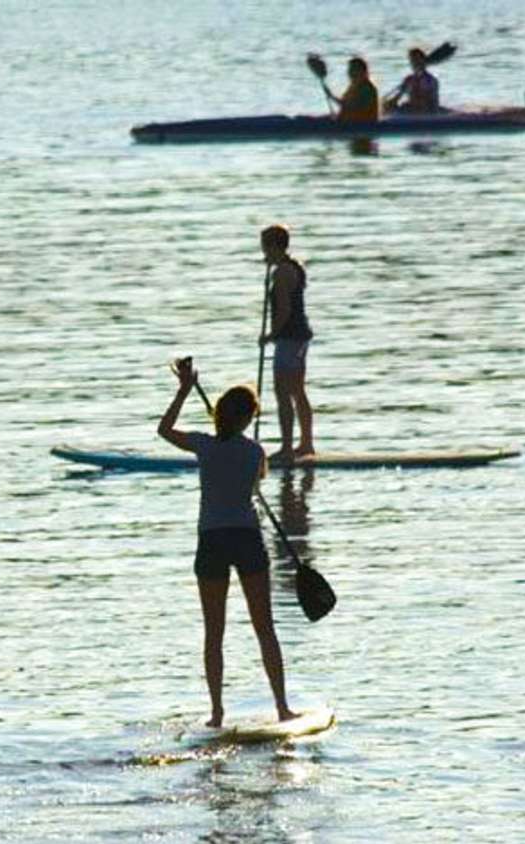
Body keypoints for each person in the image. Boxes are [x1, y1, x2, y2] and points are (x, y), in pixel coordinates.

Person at [158, 357, 297, 728]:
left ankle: (217, 713)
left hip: (212, 541)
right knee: (264, 627)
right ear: (247, 418)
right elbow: (255, 482)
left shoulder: (203, 444)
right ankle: (282, 707)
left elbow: (164, 430)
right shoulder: (255, 452)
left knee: (213, 631)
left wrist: (184, 391)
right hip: (246, 538)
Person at [258, 225, 315, 462]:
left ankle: (287, 448)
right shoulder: (294, 267)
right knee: (298, 390)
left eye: (264, 246)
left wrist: (270, 336)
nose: (262, 252)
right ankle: (306, 443)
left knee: (283, 392)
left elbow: (283, 310)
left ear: (274, 246)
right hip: (300, 335)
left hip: (289, 337)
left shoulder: (281, 272)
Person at [384, 47, 440, 113]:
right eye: (412, 60)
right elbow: (396, 98)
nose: (414, 63)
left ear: (423, 61)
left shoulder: (431, 80)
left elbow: (432, 104)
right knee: (386, 106)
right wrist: (387, 104)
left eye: (417, 60)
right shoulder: (408, 80)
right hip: (411, 112)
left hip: (426, 114)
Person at [324, 56, 379, 123]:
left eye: (353, 70)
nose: (349, 73)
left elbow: (350, 106)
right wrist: (330, 95)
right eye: (349, 70)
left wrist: (332, 97)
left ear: (362, 71)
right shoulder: (353, 86)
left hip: (361, 124)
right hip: (348, 122)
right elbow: (345, 104)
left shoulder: (368, 89)